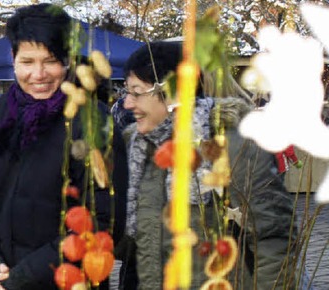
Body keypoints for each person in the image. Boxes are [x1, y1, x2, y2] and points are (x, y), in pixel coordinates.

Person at [0, 4, 129, 289]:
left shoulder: (92, 122)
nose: (38, 74)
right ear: (13, 58)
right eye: (27, 62)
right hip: (1, 278)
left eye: (50, 60)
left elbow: (102, 219)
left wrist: (27, 274)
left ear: (66, 62)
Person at [119, 41, 298, 289]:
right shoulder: (137, 147)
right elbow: (132, 242)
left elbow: (274, 238)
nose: (127, 103)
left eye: (137, 92)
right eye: (126, 92)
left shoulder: (233, 144)